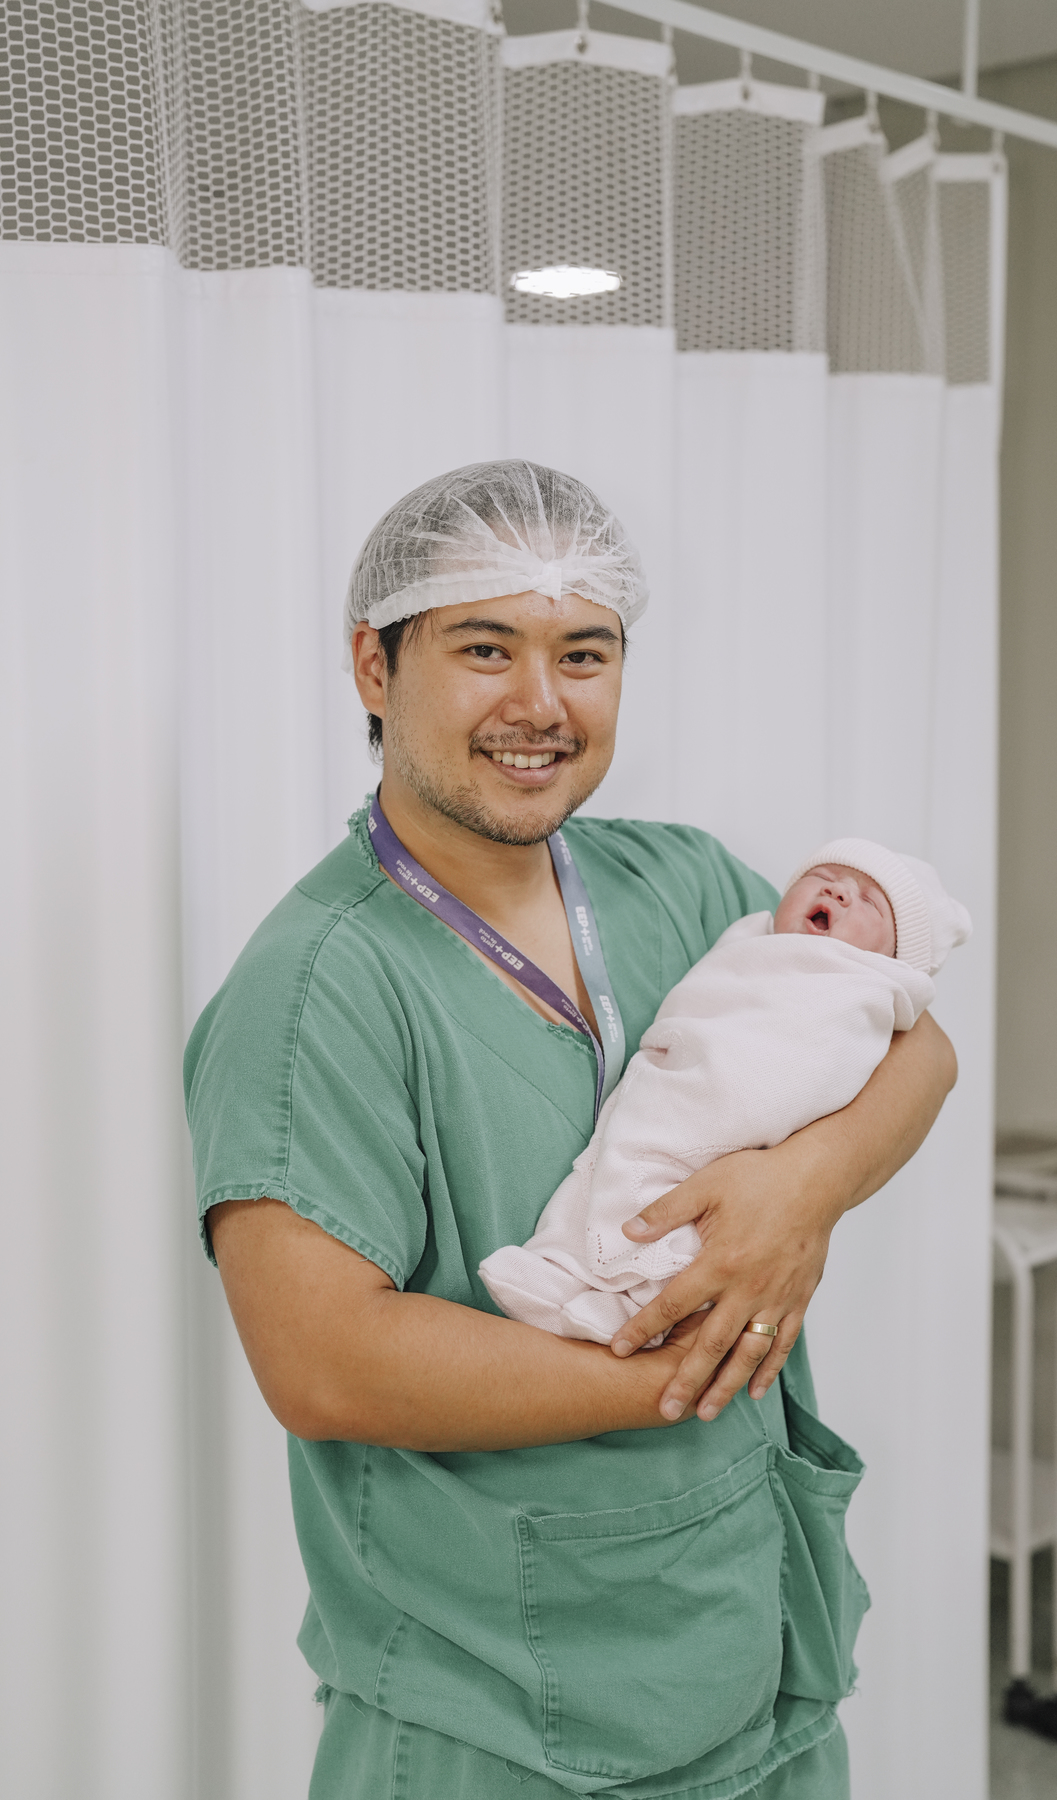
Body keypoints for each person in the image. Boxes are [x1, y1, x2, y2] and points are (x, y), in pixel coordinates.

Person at [184, 460, 958, 1799]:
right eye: (485, 648)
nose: (541, 704)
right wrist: (700, 1354)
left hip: (749, 1645)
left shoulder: (683, 881)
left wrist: (805, 1195)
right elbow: (325, 1365)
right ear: (374, 667)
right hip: (501, 1713)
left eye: (583, 653)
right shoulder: (316, 989)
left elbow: (916, 1043)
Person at [480, 844, 971, 1343]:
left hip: (742, 1108)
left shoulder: (864, 985)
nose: (838, 890)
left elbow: (932, 1054)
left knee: (670, 1193)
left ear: (895, 961)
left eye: (869, 901)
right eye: (824, 874)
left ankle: (638, 1304)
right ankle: (559, 1265)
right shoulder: (756, 932)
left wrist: (810, 1183)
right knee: (607, 1162)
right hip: (675, 1078)